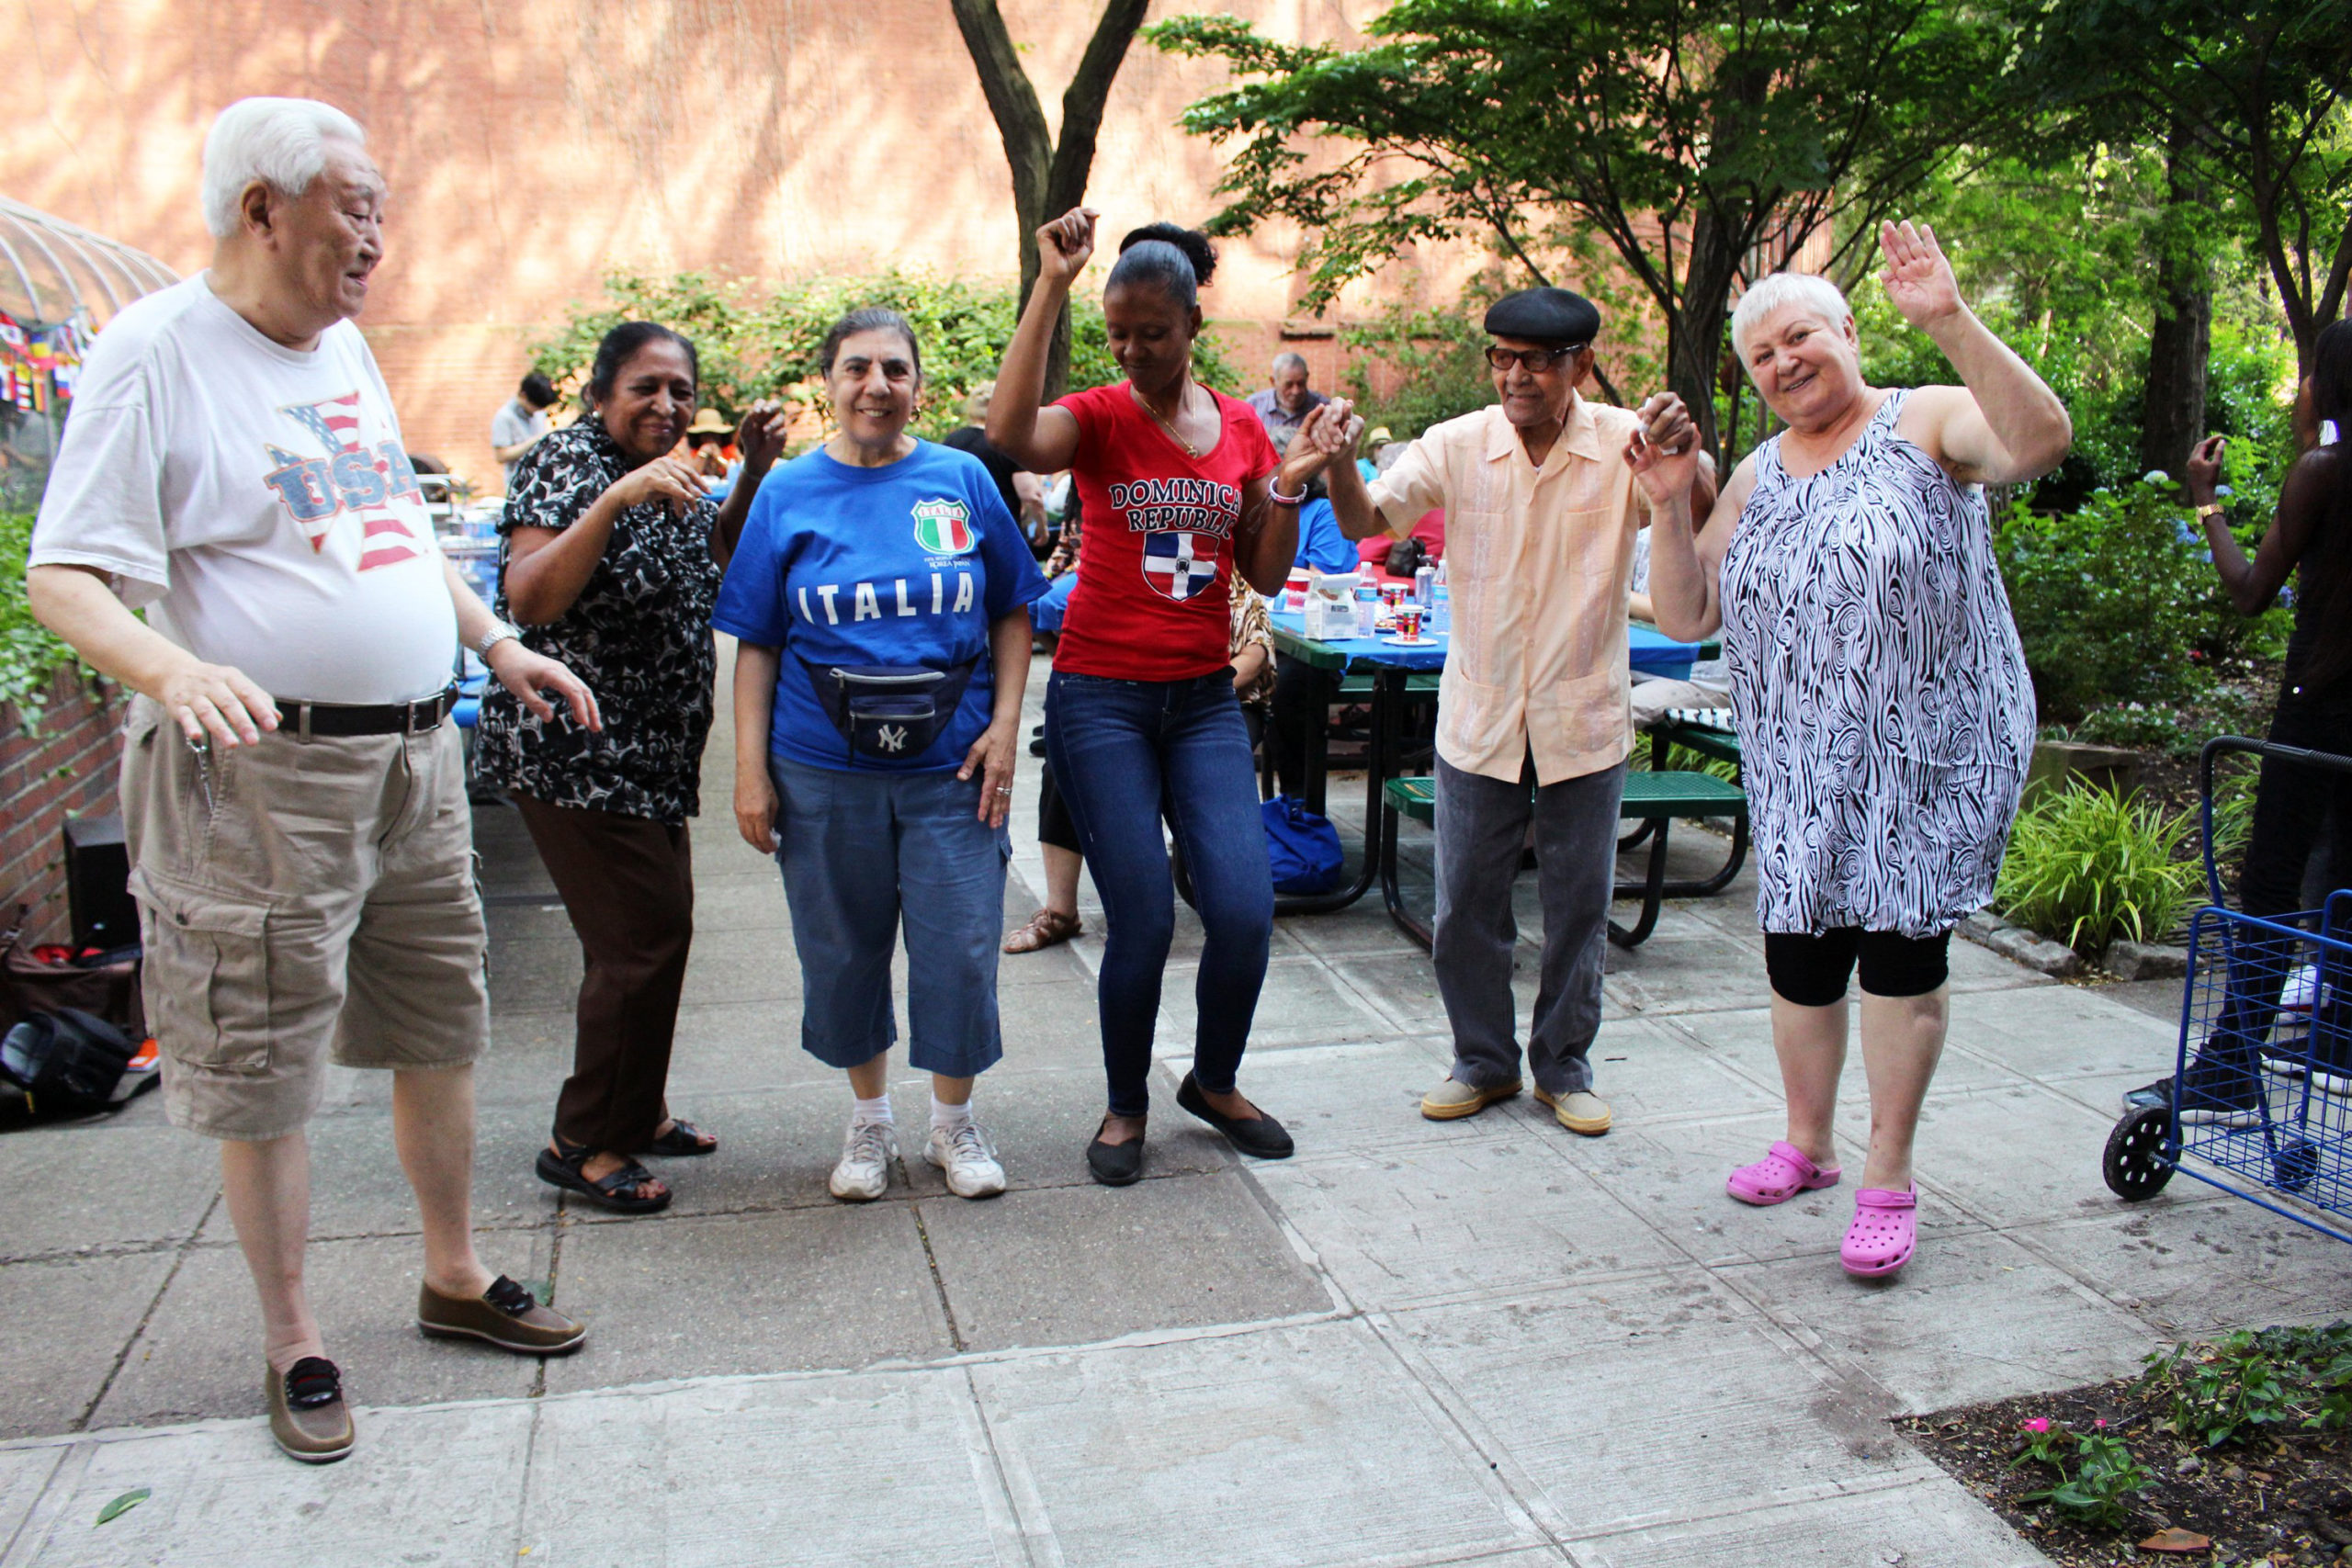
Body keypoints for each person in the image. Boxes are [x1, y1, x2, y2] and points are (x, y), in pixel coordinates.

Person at [25, 96, 597, 1465]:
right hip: (258, 776)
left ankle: (451, 1274)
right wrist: (170, 672)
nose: (377, 238)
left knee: (440, 1020)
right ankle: (295, 1337)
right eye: (354, 205)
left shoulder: (340, 347)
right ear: (262, 207)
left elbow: (391, 519)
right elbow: (64, 574)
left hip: (415, 751)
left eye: (382, 208)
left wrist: (496, 641)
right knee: (263, 1061)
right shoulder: (151, 354)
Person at [1637, 222, 2072, 1280]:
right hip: (1799, 768)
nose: (1784, 364)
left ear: (1847, 330)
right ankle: (1808, 1144)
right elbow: (1690, 614)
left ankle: (1887, 1174)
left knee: (1897, 960)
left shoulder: (1923, 420)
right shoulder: (1756, 472)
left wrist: (1951, 320)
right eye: (1761, 358)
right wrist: (1664, 497)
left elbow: (2041, 441)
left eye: (1800, 338)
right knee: (1800, 960)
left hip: (1920, 760)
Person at [988, 208, 1338, 1185]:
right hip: (1101, 698)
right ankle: (1124, 1104)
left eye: (1154, 332)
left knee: (1242, 905)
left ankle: (1213, 1082)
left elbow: (1262, 575)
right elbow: (1011, 431)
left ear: (1192, 325)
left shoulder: (1238, 427)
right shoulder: (1098, 418)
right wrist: (1050, 284)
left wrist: (1287, 489)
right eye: (1119, 335)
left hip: (1201, 702)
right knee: (1140, 914)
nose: (1136, 351)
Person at [1322, 286, 1703, 1143]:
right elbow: (1362, 517)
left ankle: (1563, 1067)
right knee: (1465, 905)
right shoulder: (1457, 444)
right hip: (1480, 716)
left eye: (1536, 360)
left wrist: (1686, 457)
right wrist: (1341, 459)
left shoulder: (1621, 444)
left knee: (1578, 904)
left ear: (1579, 365)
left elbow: (1696, 510)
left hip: (1583, 716)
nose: (1516, 375)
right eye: (1502, 357)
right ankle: (1483, 1061)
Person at [720, 308, 1047, 1201]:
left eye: (895, 370)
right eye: (857, 368)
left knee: (961, 946)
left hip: (953, 774)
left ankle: (952, 1125)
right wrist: (750, 772)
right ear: (828, 383)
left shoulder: (960, 481)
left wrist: (1004, 727)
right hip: (822, 774)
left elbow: (1013, 606)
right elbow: (757, 640)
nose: (877, 385)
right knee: (841, 949)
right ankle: (868, 1125)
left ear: (917, 386)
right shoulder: (787, 492)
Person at [477, 325, 787, 1216]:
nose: (666, 406)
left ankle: (635, 1110)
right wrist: (618, 497)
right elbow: (529, 596)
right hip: (575, 752)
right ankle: (582, 1140)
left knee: (661, 933)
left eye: (681, 391)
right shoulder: (564, 462)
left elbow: (715, 563)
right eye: (646, 388)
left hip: (649, 756)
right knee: (636, 945)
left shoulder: (679, 469)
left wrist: (753, 470)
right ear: (601, 394)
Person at [2125, 321, 2352, 1122]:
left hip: (2318, 709)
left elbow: (2253, 590)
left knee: (2271, 885)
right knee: (2344, 883)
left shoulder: (2324, 470)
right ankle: (2339, 1041)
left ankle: (2230, 1067)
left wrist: (2207, 501)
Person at [1007, 581, 1276, 954]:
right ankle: (1060, 910)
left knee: (1202, 765)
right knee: (1065, 764)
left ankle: (1224, 896)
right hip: (1132, 699)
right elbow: (1052, 613)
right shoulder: (1135, 579)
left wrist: (1200, 693)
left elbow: (1256, 651)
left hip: (1223, 702)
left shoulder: (1237, 587)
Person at [943, 382, 1047, 547]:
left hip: (960, 532)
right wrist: (1042, 527)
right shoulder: (1007, 443)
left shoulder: (952, 441)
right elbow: (1031, 495)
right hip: (1001, 534)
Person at [1249, 352, 1330, 467]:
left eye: (1301, 384)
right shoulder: (1254, 406)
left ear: (1307, 377)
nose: (1295, 391)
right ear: (1273, 381)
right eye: (1288, 385)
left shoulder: (1323, 408)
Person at [492, 371, 557, 487]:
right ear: (523, 395)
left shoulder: (539, 413)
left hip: (540, 479)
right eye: (535, 406)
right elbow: (501, 455)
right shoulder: (505, 416)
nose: (536, 410)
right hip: (518, 483)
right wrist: (535, 441)